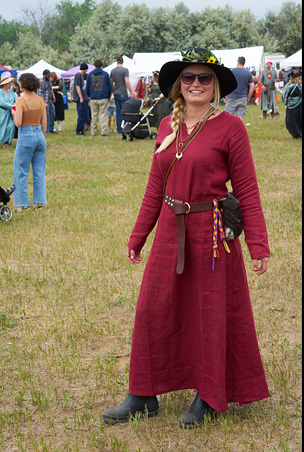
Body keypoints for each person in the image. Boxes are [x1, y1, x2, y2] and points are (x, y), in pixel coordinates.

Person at [102, 48, 270, 428]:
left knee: (207, 314)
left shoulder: (231, 127)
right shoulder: (166, 127)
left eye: (204, 79)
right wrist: (137, 236)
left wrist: (257, 244)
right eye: (189, 78)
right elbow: (153, 189)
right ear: (179, 86)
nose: (196, 84)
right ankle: (143, 394)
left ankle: (208, 396)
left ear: (215, 87)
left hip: (211, 235)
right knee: (152, 308)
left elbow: (246, 190)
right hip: (168, 229)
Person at [11, 73, 47, 211]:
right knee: (38, 170)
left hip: (26, 135)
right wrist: (41, 137)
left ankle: (22, 204)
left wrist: (14, 114)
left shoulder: (20, 100)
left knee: (20, 171)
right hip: (39, 135)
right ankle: (39, 203)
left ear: (23, 84)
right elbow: (44, 122)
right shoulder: (39, 100)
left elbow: (18, 123)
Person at [86, 59, 112, 136]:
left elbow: (88, 87)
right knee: (103, 114)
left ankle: (93, 131)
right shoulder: (105, 74)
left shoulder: (90, 74)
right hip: (103, 97)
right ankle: (104, 131)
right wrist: (109, 95)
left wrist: (89, 95)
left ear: (94, 65)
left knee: (94, 115)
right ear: (101, 65)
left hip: (93, 97)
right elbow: (109, 86)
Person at [110, 56, 134, 134]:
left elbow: (111, 83)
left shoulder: (113, 71)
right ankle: (125, 127)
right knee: (125, 112)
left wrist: (113, 92)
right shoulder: (125, 70)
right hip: (123, 93)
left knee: (118, 112)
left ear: (117, 62)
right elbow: (127, 82)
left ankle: (119, 129)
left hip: (116, 93)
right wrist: (131, 92)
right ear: (122, 62)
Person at [281, 68, 302, 139]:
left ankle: (295, 134)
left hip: (289, 106)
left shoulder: (288, 85)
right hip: (298, 106)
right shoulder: (297, 86)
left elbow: (283, 96)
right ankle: (298, 133)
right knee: (298, 120)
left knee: (291, 121)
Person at [0, 73, 17, 149]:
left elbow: (16, 100)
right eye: (9, 82)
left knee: (11, 126)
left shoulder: (11, 92)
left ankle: (9, 141)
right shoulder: (0, 91)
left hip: (11, 112)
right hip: (3, 112)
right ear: (5, 83)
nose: (10, 84)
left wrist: (16, 105)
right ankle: (2, 141)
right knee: (3, 126)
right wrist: (10, 106)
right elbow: (1, 102)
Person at [73, 63, 89, 136]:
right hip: (80, 99)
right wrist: (81, 97)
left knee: (84, 114)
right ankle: (78, 130)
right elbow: (77, 86)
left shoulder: (81, 75)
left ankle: (81, 129)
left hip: (83, 97)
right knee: (81, 114)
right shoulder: (78, 75)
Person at [38, 69, 55, 133]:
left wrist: (53, 96)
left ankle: (51, 129)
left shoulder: (49, 81)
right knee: (46, 116)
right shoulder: (41, 82)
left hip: (50, 100)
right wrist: (44, 102)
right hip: (45, 101)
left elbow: (51, 89)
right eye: (48, 75)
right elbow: (40, 93)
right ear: (44, 75)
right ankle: (46, 130)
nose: (49, 77)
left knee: (52, 114)